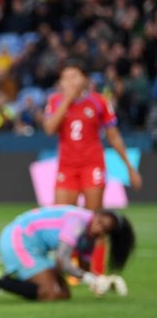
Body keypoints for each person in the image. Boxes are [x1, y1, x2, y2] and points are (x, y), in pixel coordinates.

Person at [43, 59, 142, 274]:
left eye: (73, 76)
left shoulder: (99, 102)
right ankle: (66, 270)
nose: (68, 81)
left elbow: (113, 136)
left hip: (92, 165)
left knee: (94, 221)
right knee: (62, 220)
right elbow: (50, 129)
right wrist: (67, 100)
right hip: (67, 167)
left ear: (84, 79)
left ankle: (95, 272)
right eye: (65, 77)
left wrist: (129, 168)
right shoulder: (55, 101)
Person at [0, 206, 134, 303]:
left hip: (37, 249)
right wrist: (92, 279)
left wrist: (102, 283)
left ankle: (8, 277)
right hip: (18, 238)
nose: (98, 229)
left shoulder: (92, 237)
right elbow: (62, 260)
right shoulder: (78, 222)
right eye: (99, 223)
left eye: (104, 230)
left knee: (64, 295)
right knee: (50, 293)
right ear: (96, 215)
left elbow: (83, 268)